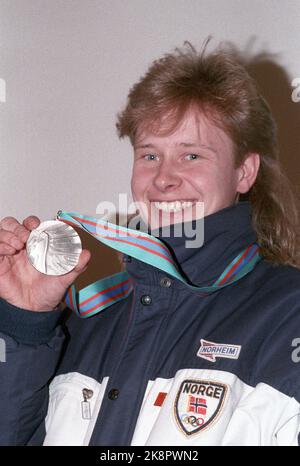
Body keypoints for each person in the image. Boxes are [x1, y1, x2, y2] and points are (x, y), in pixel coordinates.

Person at [0, 41, 299, 446]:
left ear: (244, 172)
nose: (163, 179)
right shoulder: (90, 317)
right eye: (150, 156)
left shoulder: (287, 312)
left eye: (191, 155)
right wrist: (27, 322)